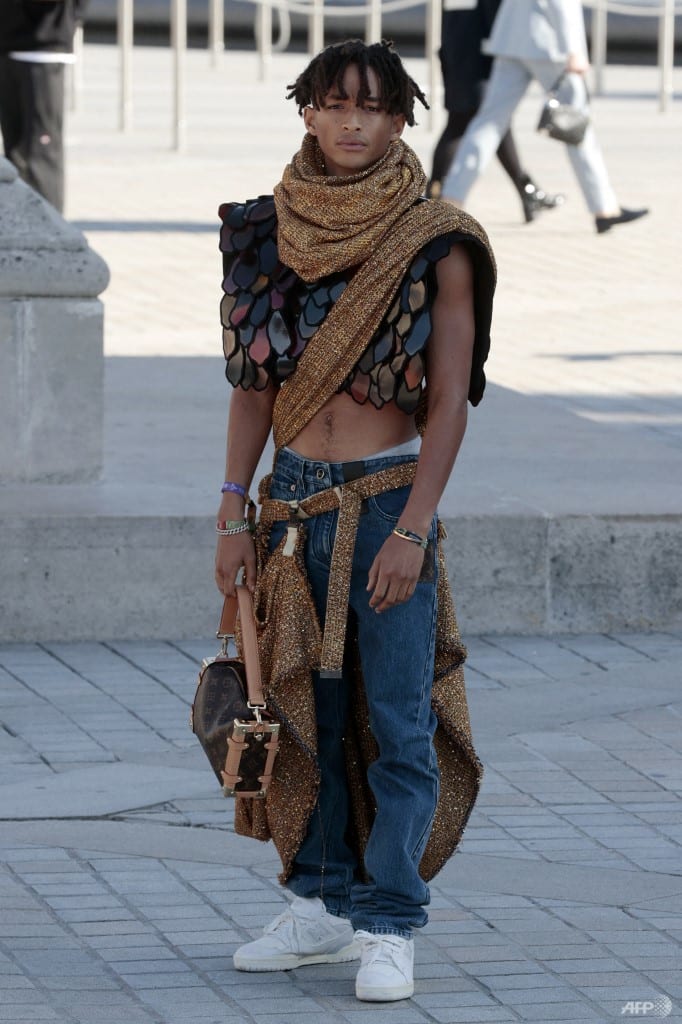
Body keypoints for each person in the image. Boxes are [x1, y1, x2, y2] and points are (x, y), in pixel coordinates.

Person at [214, 39, 496, 1003]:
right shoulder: (263, 232)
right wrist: (228, 508)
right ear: (306, 111)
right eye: (334, 103)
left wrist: (416, 528)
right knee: (306, 717)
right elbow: (255, 386)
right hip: (290, 507)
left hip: (384, 505)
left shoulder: (437, 239)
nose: (351, 123)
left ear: (402, 119)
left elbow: (450, 400)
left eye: (372, 108)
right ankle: (320, 904)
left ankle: (390, 919)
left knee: (399, 718)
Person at [440, 0, 648, 233]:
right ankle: (604, 208)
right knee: (576, 124)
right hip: (549, 41)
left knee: (488, 123)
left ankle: (452, 197)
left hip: (511, 38)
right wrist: (573, 50)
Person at [431, 0, 563, 223]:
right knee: (468, 122)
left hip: (462, 39)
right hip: (477, 46)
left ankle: (526, 191)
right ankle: (434, 200)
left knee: (488, 121)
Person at [0, 0, 87, 213]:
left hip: (43, 46)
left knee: (41, 157)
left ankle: (52, 239)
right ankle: (20, 231)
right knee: (16, 158)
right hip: (8, 45)